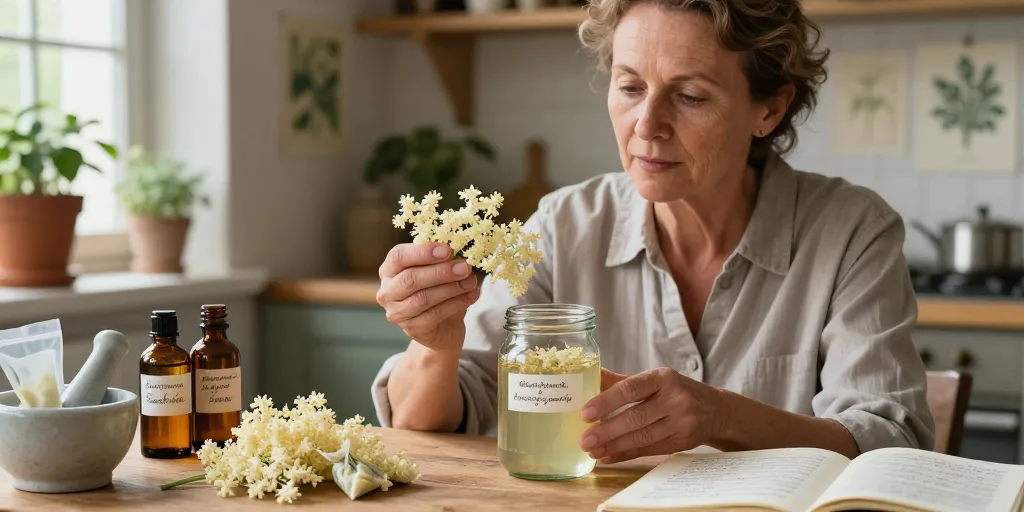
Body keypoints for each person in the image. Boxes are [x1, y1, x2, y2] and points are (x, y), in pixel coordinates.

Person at [370, 0, 935, 463]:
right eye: (630, 87)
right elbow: (432, 417)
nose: (647, 126)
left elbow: (891, 443)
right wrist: (435, 345)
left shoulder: (853, 231)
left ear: (769, 109)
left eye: (690, 97)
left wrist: (721, 415)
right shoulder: (562, 225)